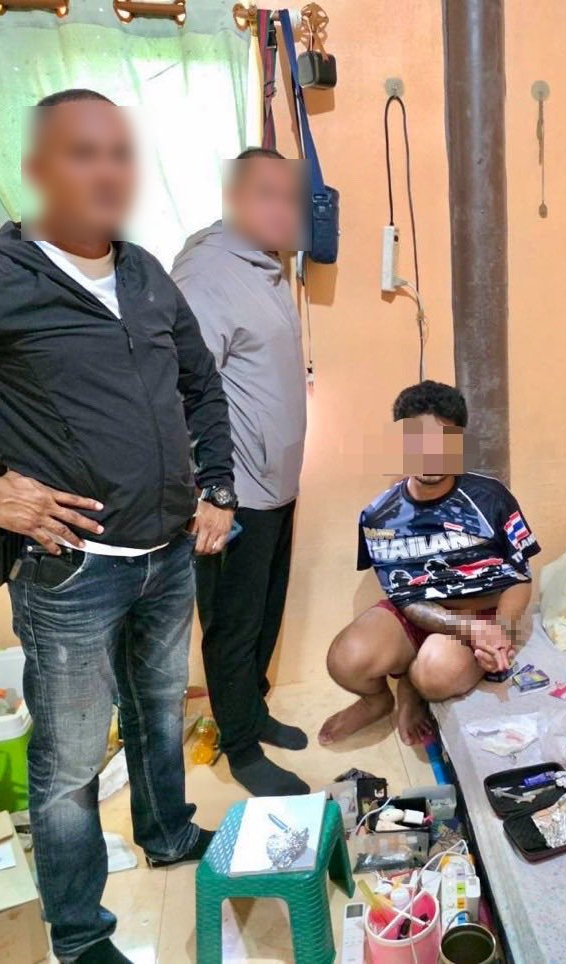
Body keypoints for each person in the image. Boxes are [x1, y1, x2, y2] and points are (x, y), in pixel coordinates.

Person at [0, 89, 236, 964]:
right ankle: (78, 934)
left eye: (119, 153)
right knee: (71, 763)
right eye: (82, 152)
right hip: (71, 570)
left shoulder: (144, 272)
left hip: (166, 554)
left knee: (159, 713)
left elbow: (201, 385)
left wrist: (219, 488)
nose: (107, 171)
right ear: (37, 168)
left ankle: (167, 832)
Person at [172, 147, 310, 797]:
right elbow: (183, 391)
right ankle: (240, 747)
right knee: (231, 625)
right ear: (233, 197)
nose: (283, 209)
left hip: (277, 486)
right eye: (266, 194)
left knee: (262, 616)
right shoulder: (207, 274)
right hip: (235, 494)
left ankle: (252, 714)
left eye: (290, 196)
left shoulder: (266, 266)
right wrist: (212, 492)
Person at [319, 381, 539, 746]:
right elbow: (404, 599)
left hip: (483, 613)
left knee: (434, 674)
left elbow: (519, 575)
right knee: (345, 660)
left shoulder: (491, 497)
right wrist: (464, 629)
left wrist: (499, 629)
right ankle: (377, 701)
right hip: (418, 612)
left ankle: (412, 688)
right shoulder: (379, 516)